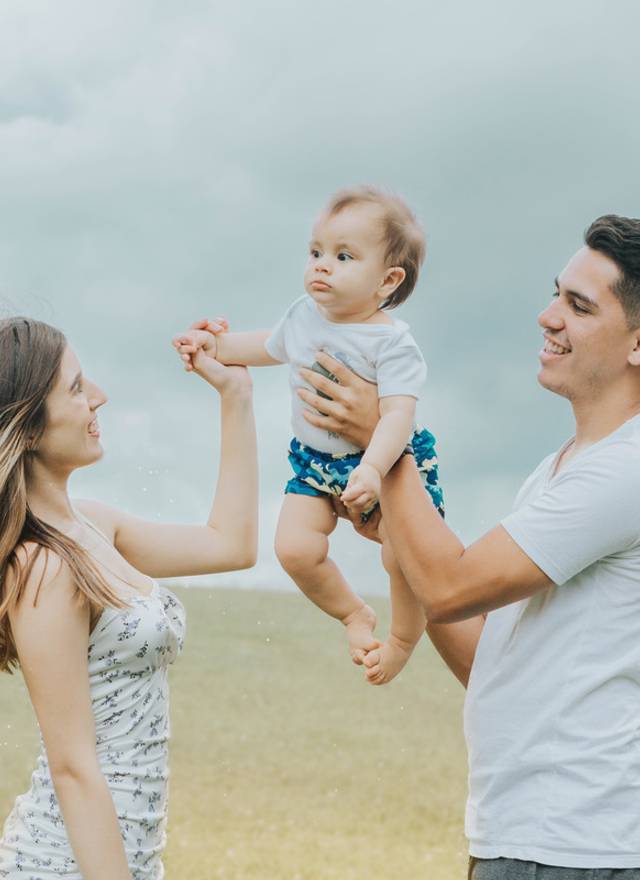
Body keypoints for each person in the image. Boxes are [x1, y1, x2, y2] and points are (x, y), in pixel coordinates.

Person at [300, 214, 640, 877]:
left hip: (577, 846)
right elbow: (489, 657)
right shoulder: (559, 468)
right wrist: (400, 537)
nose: (547, 317)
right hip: (528, 837)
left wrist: (384, 445)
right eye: (554, 294)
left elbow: (450, 584)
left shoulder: (626, 471)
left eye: (578, 306)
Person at [0, 317, 257, 879]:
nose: (99, 397)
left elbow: (232, 545)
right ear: (31, 428)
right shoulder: (43, 567)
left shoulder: (94, 527)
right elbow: (72, 767)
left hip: (124, 860)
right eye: (75, 388)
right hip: (65, 866)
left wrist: (235, 395)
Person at [173, 185, 444, 684]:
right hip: (316, 462)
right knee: (295, 548)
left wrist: (372, 469)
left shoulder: (392, 343)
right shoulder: (303, 316)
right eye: (316, 252)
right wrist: (211, 343)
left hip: (385, 464)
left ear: (388, 280)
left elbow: (398, 417)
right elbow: (264, 346)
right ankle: (352, 613)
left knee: (401, 554)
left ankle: (403, 639)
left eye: (343, 256)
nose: (321, 265)